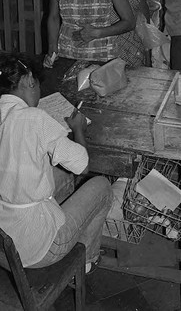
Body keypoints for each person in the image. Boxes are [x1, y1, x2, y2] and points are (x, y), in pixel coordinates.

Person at [0, 54, 113, 270]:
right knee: (102, 186)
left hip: (4, 244)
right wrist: (79, 129)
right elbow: (83, 166)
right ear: (29, 81)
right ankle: (86, 260)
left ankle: (73, 222)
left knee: (62, 173)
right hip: (40, 249)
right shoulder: (35, 118)